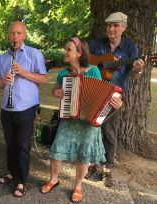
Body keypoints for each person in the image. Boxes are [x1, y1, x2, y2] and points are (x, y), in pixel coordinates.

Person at [40, 37, 122, 203]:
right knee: (56, 151)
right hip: (69, 119)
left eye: (68, 49)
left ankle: (77, 186)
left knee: (83, 156)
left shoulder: (93, 71)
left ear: (79, 52)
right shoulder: (63, 74)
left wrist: (115, 104)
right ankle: (54, 179)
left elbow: (100, 97)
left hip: (88, 123)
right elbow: (56, 91)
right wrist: (56, 93)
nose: (65, 52)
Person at [88, 12, 145, 187]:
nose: (111, 29)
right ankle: (90, 164)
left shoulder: (130, 48)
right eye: (109, 25)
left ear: (124, 27)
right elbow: (83, 60)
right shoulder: (96, 43)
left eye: (116, 25)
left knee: (109, 132)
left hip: (114, 95)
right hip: (94, 91)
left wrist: (137, 69)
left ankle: (107, 168)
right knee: (90, 129)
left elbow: (135, 75)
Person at [0, 20, 48, 197]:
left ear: (24, 35)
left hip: (26, 107)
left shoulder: (34, 54)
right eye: (12, 33)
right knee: (10, 143)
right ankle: (12, 171)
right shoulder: (3, 57)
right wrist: (4, 80)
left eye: (18, 33)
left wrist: (23, 72)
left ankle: (22, 180)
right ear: (8, 35)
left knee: (23, 145)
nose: (15, 36)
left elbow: (44, 79)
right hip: (7, 108)